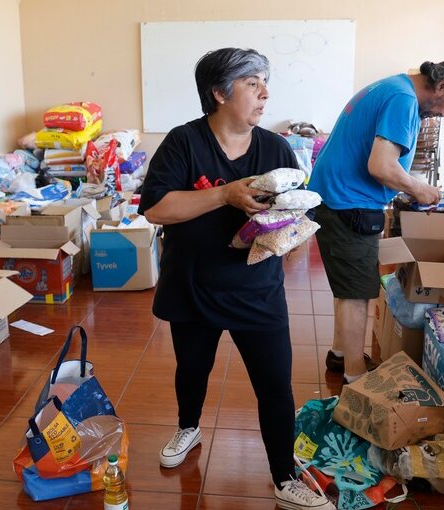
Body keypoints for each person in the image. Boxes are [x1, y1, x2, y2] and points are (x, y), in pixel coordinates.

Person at [138, 48, 335, 510]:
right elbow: (156, 208)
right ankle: (189, 427)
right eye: (252, 83)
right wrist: (226, 195)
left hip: (256, 289)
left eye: (265, 82)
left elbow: (291, 213)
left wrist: (283, 227)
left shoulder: (274, 148)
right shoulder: (184, 143)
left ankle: (284, 478)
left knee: (273, 384)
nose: (265, 93)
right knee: (192, 369)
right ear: (219, 93)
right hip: (192, 282)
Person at [308, 61, 444, 384]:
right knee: (358, 292)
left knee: (347, 285)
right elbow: (381, 165)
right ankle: (355, 378)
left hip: (334, 196)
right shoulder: (403, 100)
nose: (442, 115)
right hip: (348, 203)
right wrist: (420, 188)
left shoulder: (392, 87)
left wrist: (406, 186)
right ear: (441, 87)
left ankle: (340, 354)